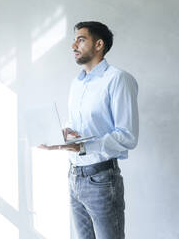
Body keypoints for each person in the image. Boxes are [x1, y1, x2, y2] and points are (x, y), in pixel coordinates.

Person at [40, 21, 139, 239]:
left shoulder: (118, 79)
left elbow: (128, 136)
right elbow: (80, 127)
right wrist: (61, 135)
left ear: (99, 44)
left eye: (81, 39)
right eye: (74, 40)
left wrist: (84, 145)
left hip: (102, 179)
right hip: (75, 177)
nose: (73, 45)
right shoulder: (77, 84)